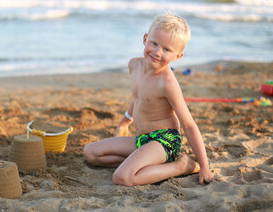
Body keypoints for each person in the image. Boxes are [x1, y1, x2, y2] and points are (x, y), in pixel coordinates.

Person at [83, 13, 214, 186]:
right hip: (143, 139)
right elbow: (138, 97)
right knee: (91, 153)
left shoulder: (167, 83)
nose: (157, 52)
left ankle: (180, 166)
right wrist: (124, 122)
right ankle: (142, 165)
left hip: (164, 142)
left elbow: (189, 125)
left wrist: (204, 166)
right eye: (154, 43)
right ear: (145, 39)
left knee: (122, 177)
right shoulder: (134, 65)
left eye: (167, 49)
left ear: (178, 56)